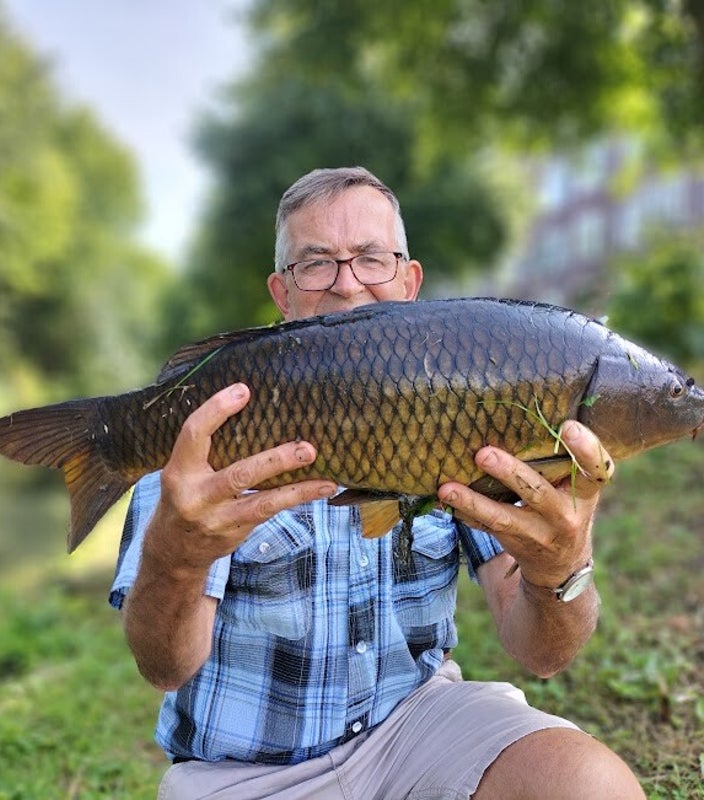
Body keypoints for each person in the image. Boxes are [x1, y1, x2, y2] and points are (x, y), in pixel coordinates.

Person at [110, 167, 646, 799]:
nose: (347, 285)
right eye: (316, 264)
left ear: (409, 281)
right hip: (247, 773)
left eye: (371, 258)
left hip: (419, 728)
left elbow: (543, 653)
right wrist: (174, 559)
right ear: (282, 294)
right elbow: (163, 666)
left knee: (590, 787)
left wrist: (562, 566)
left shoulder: (474, 399)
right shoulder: (211, 427)